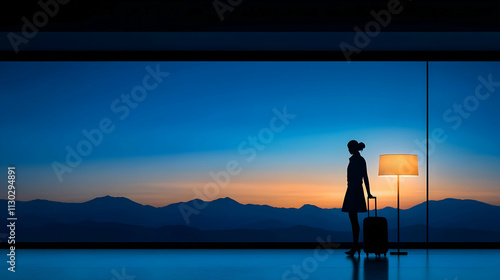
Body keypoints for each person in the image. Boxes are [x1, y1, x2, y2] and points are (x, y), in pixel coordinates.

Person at [342, 140, 374, 256]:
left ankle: (355, 246)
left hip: (354, 191)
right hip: (352, 190)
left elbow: (365, 177)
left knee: (354, 220)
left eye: (349, 147)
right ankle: (355, 245)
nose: (348, 150)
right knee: (353, 220)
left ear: (354, 148)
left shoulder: (359, 160)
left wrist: (368, 193)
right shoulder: (356, 159)